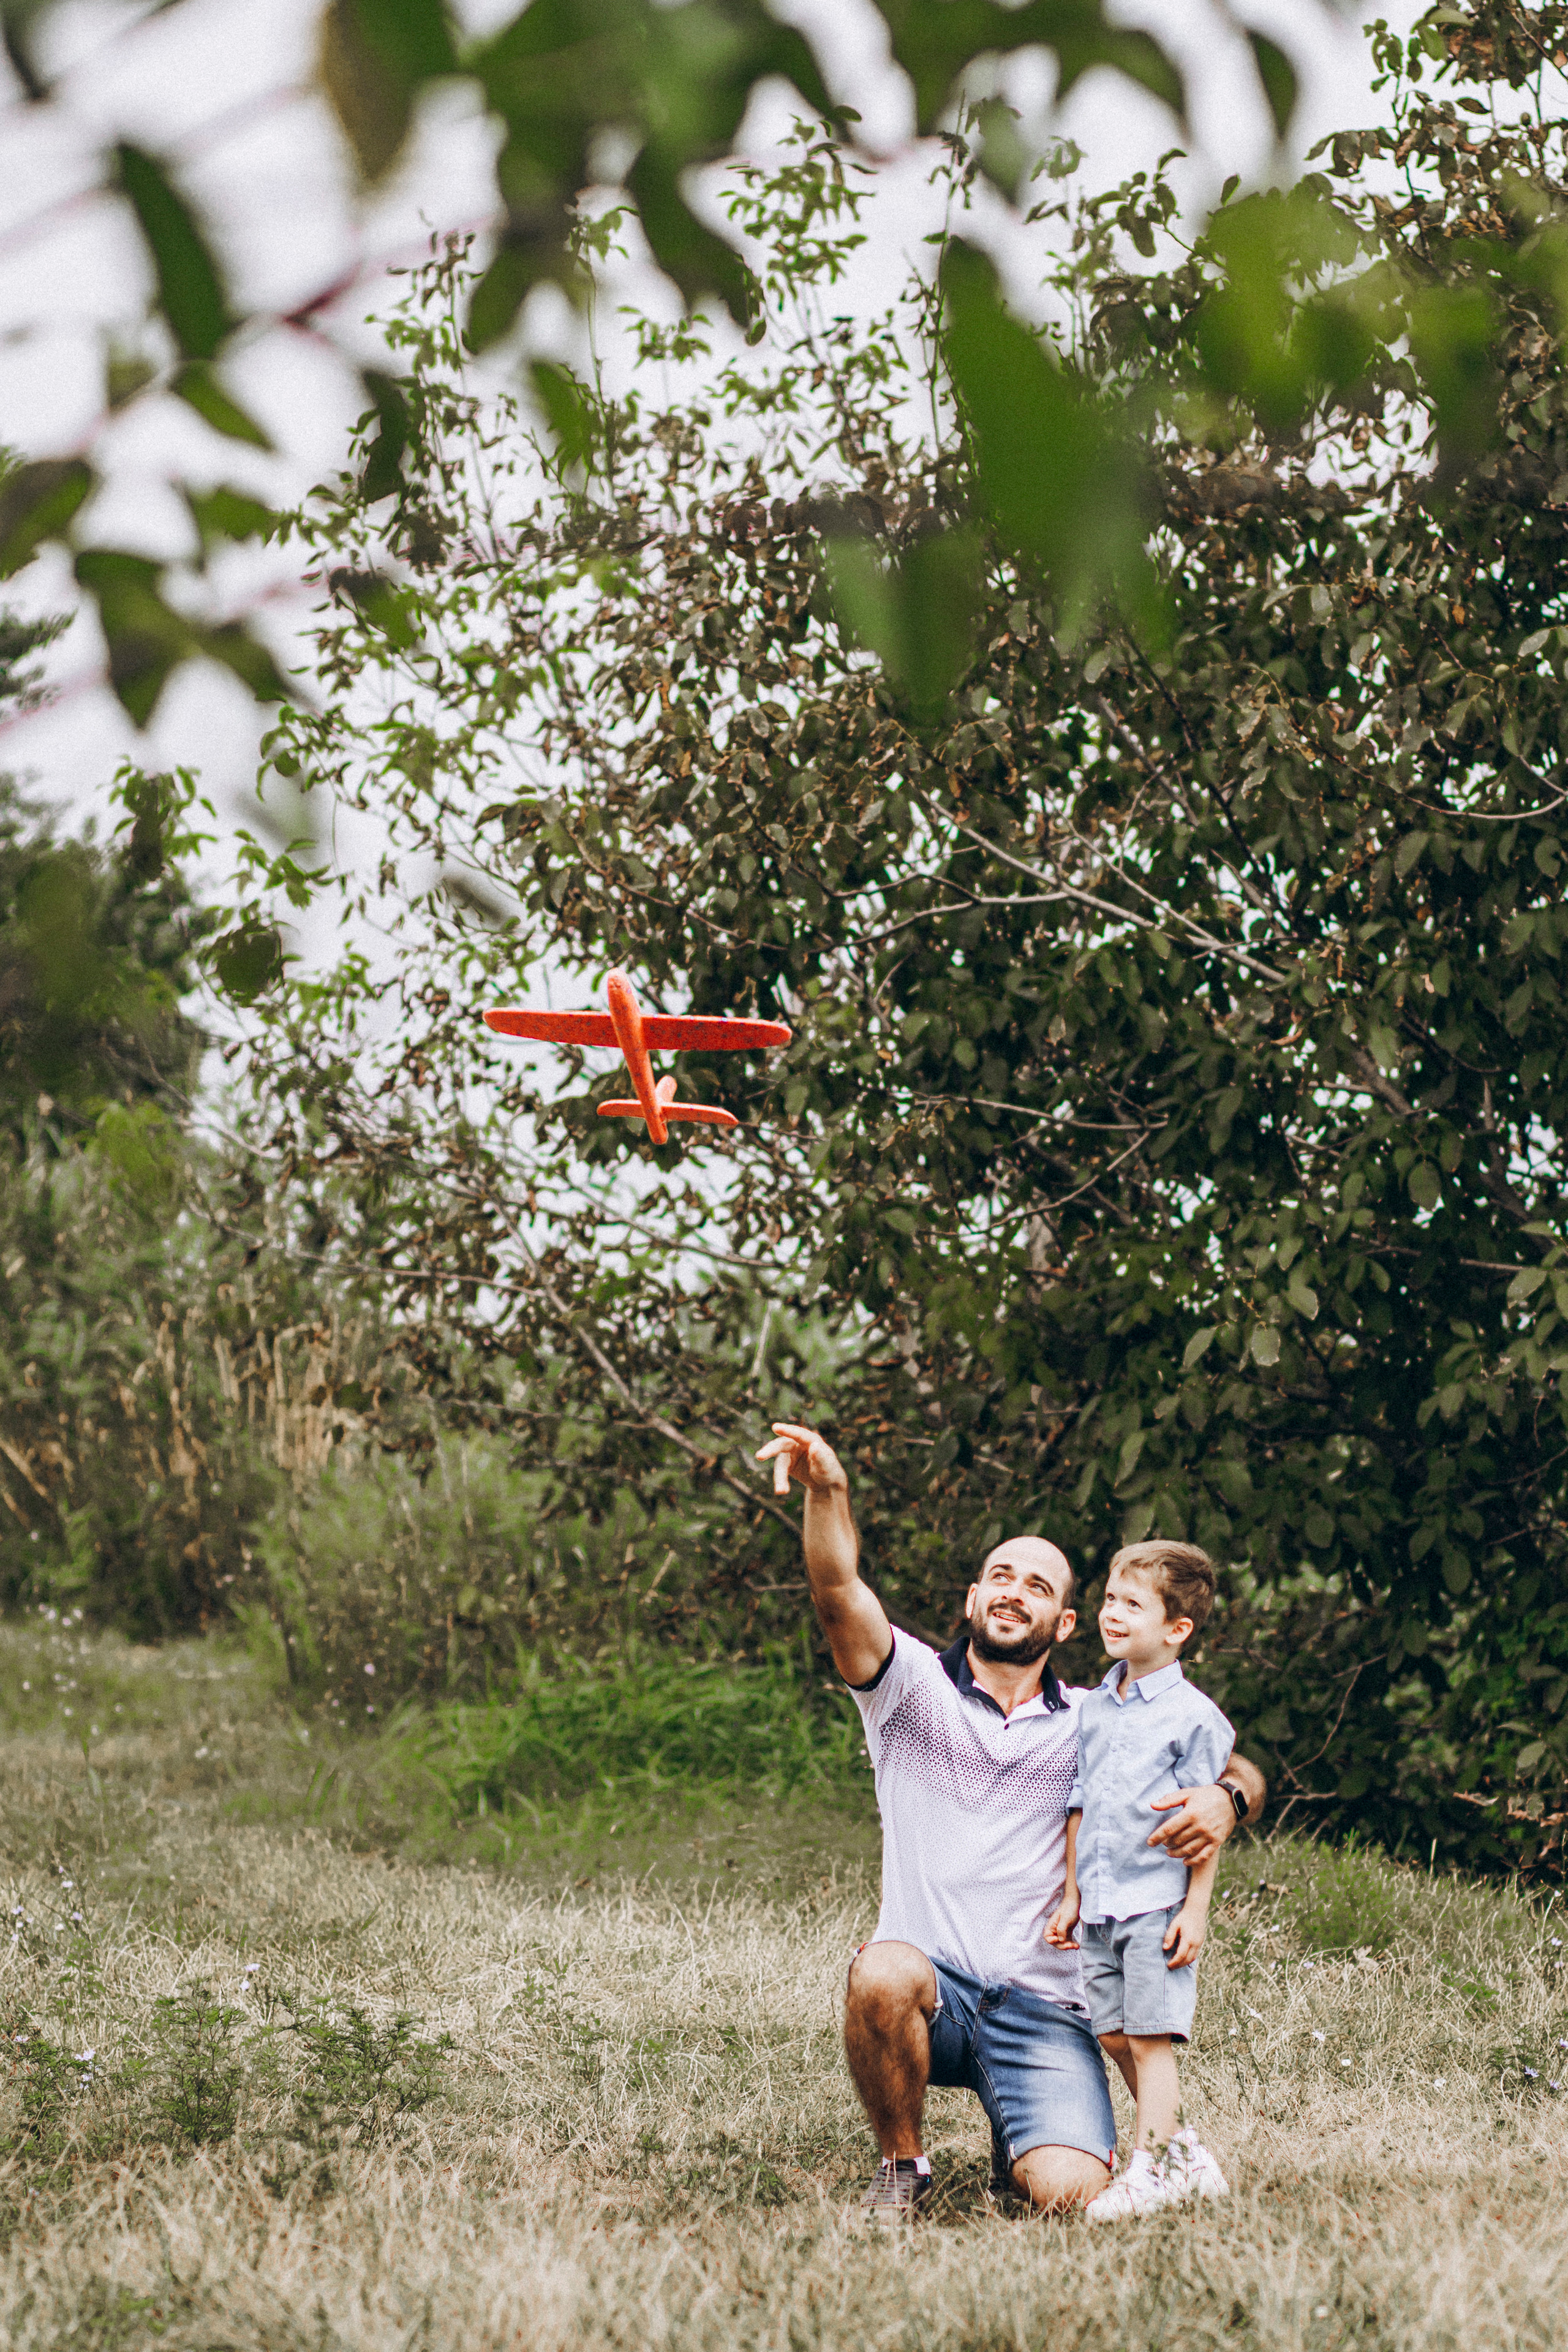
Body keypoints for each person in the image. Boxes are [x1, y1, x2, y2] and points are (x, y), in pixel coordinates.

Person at [754, 1421, 1265, 2222]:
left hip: (1046, 2011)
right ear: (971, 1598)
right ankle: (902, 2167)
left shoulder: (1100, 1719)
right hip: (936, 1990)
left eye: (1037, 1586)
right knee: (882, 1973)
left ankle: (1020, 2141)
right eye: (1000, 1575)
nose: (1011, 1591)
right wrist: (830, 1493)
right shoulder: (908, 1688)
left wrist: (1225, 1801)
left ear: (1065, 1626)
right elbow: (837, 1589)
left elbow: (1235, 1764)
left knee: (1068, 2198)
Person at [1046, 1540, 1234, 2220]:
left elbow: (1203, 1826)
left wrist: (1196, 1909)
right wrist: (1071, 1895)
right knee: (1115, 2035)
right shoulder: (1092, 1708)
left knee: (1151, 2041)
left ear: (1176, 1628)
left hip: (1155, 1903)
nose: (1112, 1614)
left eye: (1132, 1604)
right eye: (1108, 1601)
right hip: (1099, 1905)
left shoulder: (1194, 1719)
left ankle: (1150, 2167)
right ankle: (1185, 2156)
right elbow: (1079, 1803)